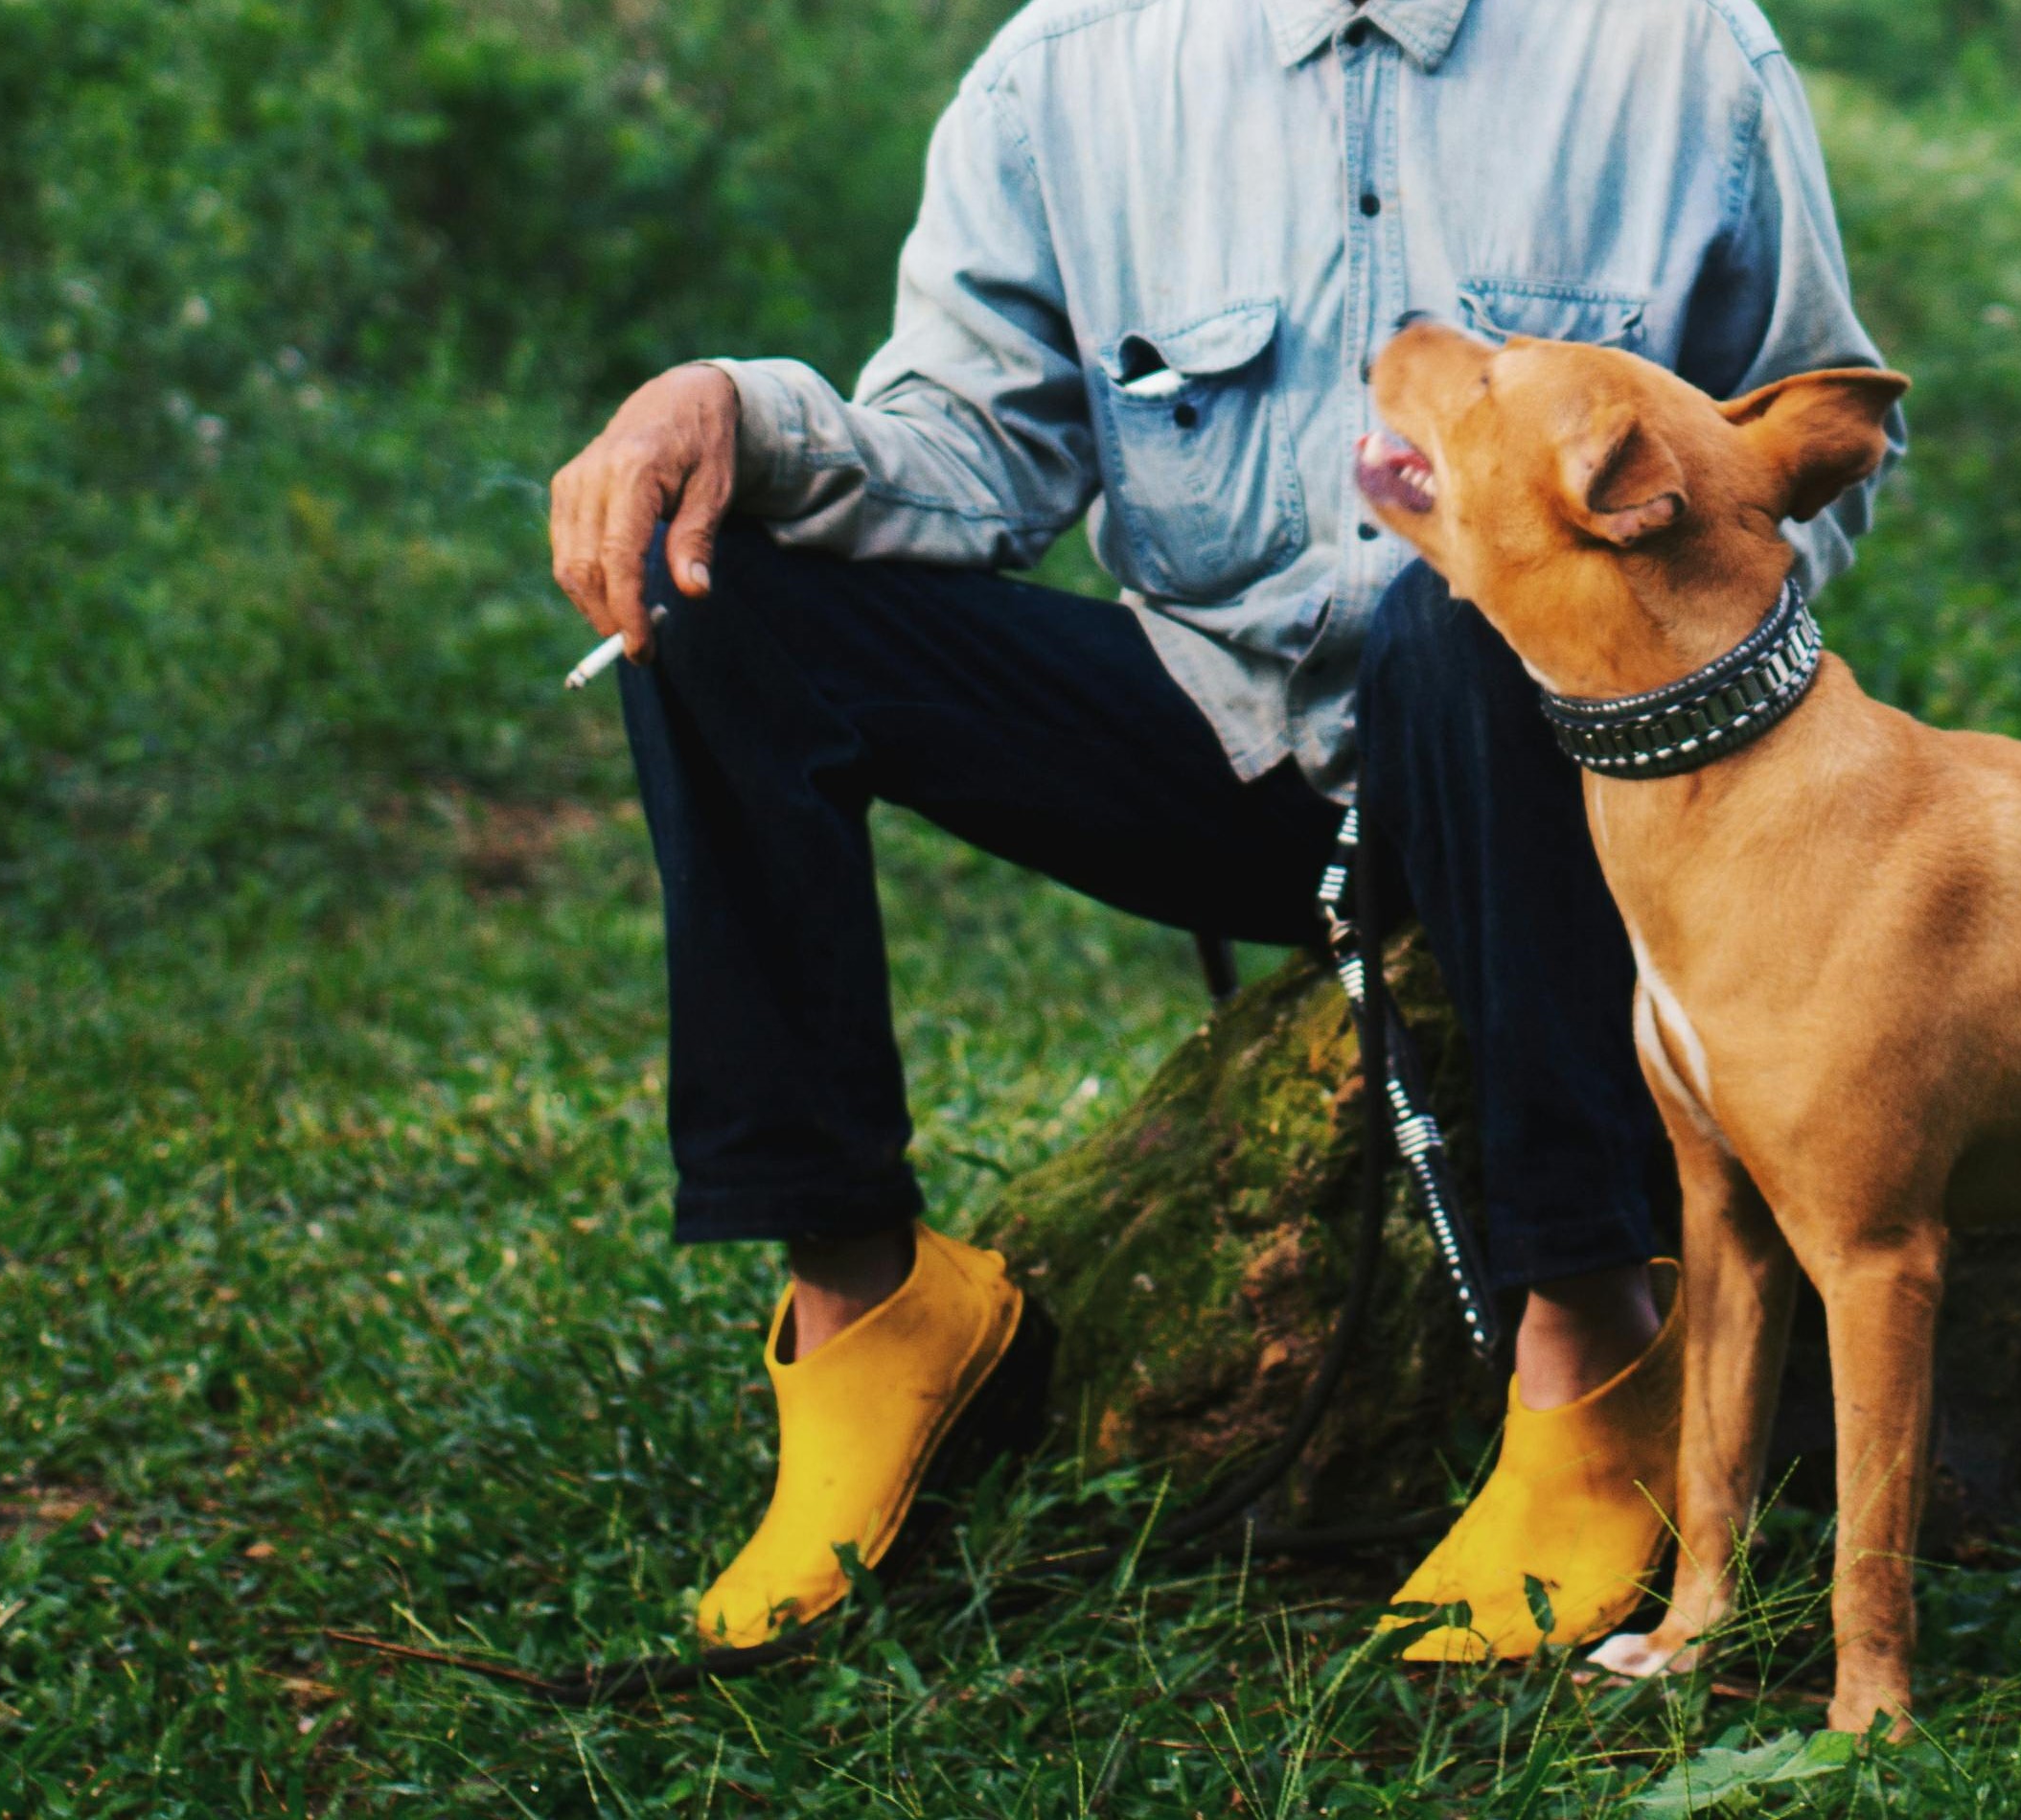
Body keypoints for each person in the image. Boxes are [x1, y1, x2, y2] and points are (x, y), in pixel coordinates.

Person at [543, 0, 1893, 1662]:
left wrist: (1613, 605)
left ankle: (1597, 1344)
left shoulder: (1677, 53)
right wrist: (730, 412)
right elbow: (966, 459)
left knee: (1457, 608)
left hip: (1553, 757)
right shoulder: (1069, 66)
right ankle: (867, 1299)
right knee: (720, 593)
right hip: (1226, 743)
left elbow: (1801, 457)